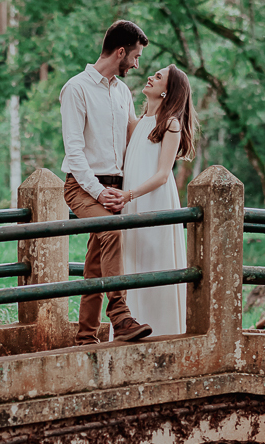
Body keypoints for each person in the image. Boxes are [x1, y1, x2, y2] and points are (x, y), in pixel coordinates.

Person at [60, 19, 152, 347]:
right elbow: (74, 152)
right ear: (121, 51)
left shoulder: (123, 91)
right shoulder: (76, 88)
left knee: (96, 263)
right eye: (136, 57)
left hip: (115, 186)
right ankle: (121, 315)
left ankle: (85, 337)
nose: (137, 64)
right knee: (111, 232)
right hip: (82, 186)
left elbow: (133, 135)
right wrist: (101, 193)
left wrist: (165, 119)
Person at [121, 65, 198, 337]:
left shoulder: (170, 124)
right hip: (130, 202)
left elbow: (163, 175)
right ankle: (132, 326)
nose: (151, 77)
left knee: (155, 264)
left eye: (159, 76)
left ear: (167, 91)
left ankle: (162, 332)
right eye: (153, 73)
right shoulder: (139, 122)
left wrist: (129, 195)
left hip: (153, 201)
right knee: (131, 264)